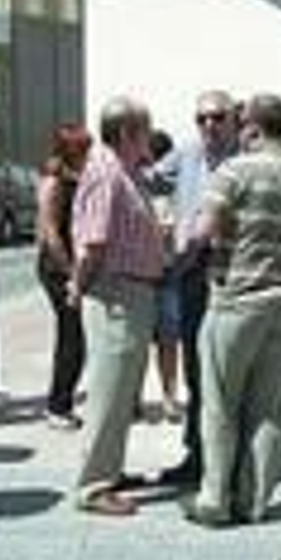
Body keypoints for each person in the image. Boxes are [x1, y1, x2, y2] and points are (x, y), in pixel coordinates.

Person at [184, 94, 281, 526]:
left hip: (236, 299)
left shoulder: (234, 170)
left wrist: (185, 244)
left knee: (221, 403)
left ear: (250, 126)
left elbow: (204, 231)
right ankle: (255, 501)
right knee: (270, 408)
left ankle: (214, 499)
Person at [69, 96, 167, 516]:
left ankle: (110, 469)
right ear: (128, 133)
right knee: (110, 391)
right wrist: (78, 285)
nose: (149, 137)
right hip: (117, 294)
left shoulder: (124, 171)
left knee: (123, 386)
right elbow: (93, 242)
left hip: (132, 291)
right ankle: (93, 486)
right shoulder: (106, 173)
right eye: (145, 129)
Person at [149, 90, 239, 487]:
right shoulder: (185, 155)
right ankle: (197, 452)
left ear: (234, 119)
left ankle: (228, 458)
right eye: (201, 118)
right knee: (195, 367)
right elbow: (149, 179)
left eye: (217, 117)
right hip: (190, 271)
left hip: (233, 274)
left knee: (227, 368)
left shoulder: (247, 161)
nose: (209, 126)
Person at [35, 122, 93, 430]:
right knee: (72, 336)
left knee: (75, 336)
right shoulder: (53, 180)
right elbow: (51, 234)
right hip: (58, 267)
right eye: (84, 147)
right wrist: (72, 275)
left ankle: (62, 401)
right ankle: (58, 406)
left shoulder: (71, 176)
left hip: (68, 264)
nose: (89, 152)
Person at [146, 128, 184, 423]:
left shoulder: (166, 191)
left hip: (153, 273)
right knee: (167, 341)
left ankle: (166, 398)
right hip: (164, 272)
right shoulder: (167, 192)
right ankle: (169, 399)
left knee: (156, 341)